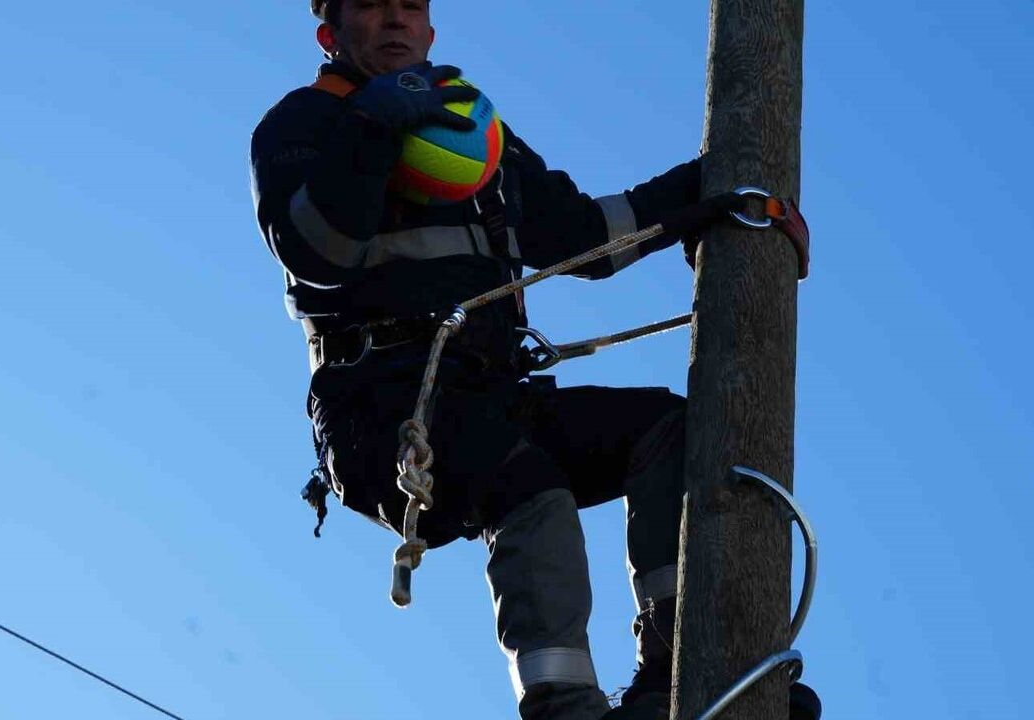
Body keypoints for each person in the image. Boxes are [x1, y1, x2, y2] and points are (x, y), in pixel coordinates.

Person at [249, 2, 818, 718]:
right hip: (383, 410)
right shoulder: (302, 126)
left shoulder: (475, 137)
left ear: (430, 32)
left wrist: (720, 190)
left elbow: (583, 234)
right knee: (527, 482)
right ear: (331, 35)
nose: (395, 20)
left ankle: (677, 668)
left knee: (667, 430)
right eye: (372, 6)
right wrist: (372, 126)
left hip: (490, 394)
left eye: (411, 7)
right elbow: (318, 254)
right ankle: (565, 708)